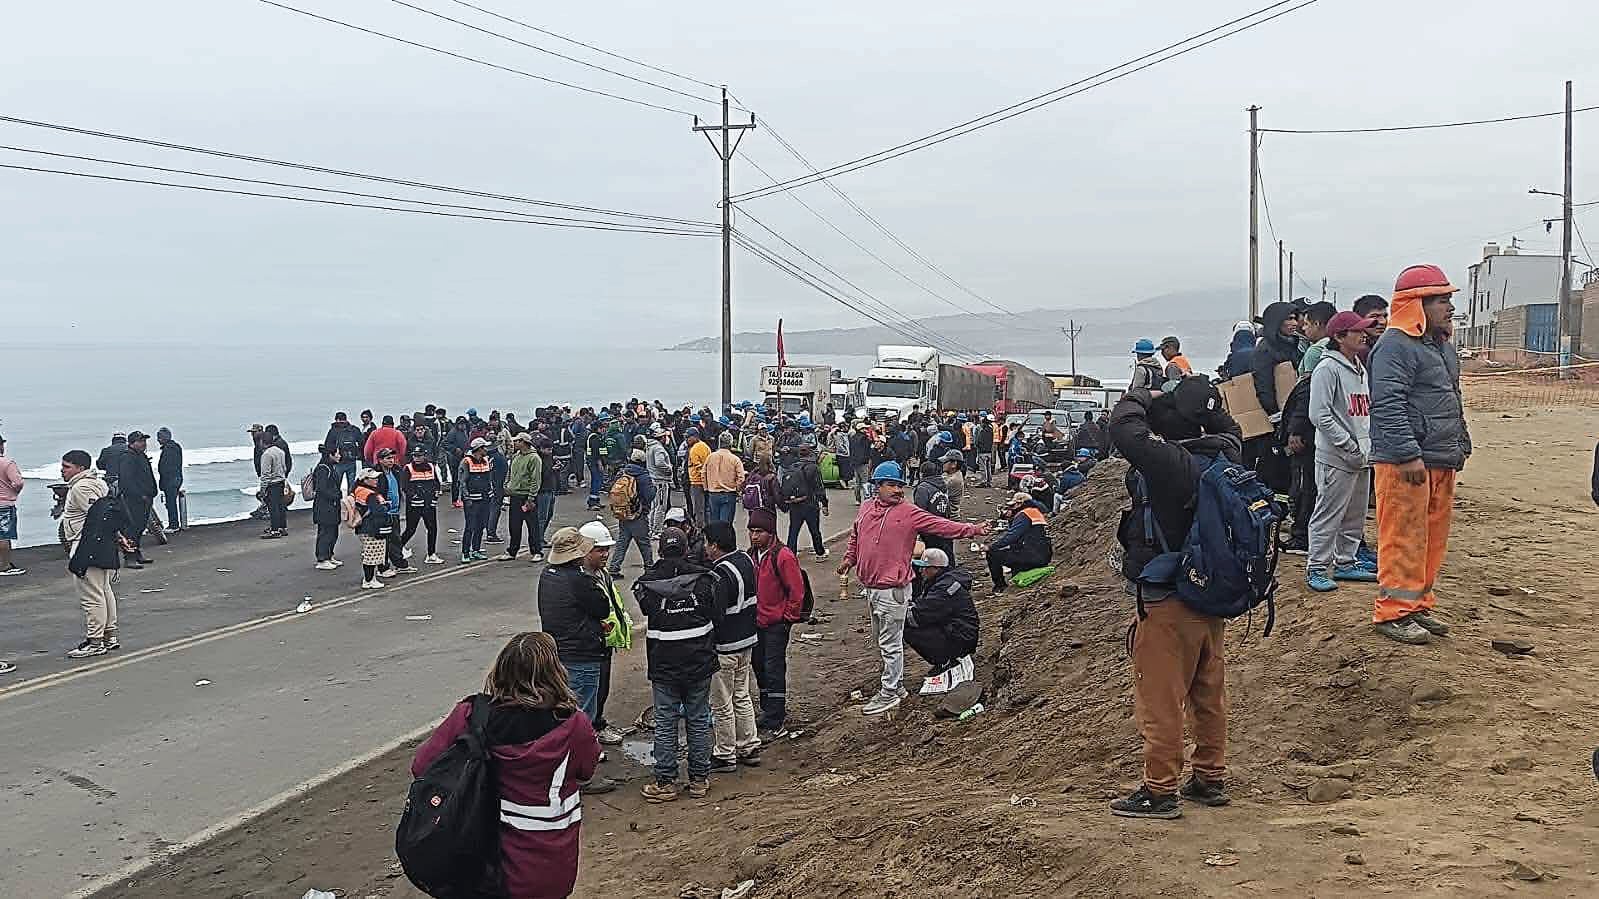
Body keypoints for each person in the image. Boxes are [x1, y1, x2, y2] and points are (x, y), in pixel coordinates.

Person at [1107, 380, 1243, 820]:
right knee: (1208, 693)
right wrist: (1200, 399)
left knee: (1162, 698)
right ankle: (1209, 777)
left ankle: (1160, 790)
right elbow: (1225, 420)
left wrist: (1142, 396)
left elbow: (1125, 429)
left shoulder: (1171, 463)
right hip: (1211, 593)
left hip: (1169, 596)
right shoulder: (1228, 451)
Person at [410, 632, 599, 899]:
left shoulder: (472, 715)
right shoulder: (573, 724)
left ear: (501, 669)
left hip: (482, 859)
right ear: (555, 673)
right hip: (551, 862)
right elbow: (586, 771)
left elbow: (422, 766)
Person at [1368, 264, 1469, 645]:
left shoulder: (1439, 345)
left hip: (1439, 458)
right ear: (1415, 304)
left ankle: (1417, 604)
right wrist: (1407, 455)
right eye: (1441, 300)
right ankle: (1393, 612)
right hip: (1407, 462)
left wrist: (1460, 445)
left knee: (1430, 537)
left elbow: (1450, 401)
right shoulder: (1395, 346)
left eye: (1449, 299)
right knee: (1403, 535)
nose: (1450, 307)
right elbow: (1388, 404)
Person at [839, 462, 987, 716]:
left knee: (891, 642)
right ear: (878, 486)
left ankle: (891, 691)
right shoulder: (865, 508)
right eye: (892, 485)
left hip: (893, 589)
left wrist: (972, 530)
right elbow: (856, 536)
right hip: (871, 588)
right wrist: (848, 560)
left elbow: (942, 525)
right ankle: (893, 687)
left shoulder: (909, 513)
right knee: (882, 640)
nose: (897, 490)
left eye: (900, 485)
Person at [633, 526, 718, 802]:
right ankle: (699, 779)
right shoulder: (703, 579)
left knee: (666, 721)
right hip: (699, 660)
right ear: (685, 548)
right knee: (698, 718)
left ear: (660, 550)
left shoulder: (647, 584)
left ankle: (666, 781)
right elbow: (712, 610)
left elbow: (646, 607)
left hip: (664, 663)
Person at [1305, 311, 1379, 592]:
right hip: (1336, 456)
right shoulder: (1328, 369)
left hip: (1361, 455)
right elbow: (1319, 415)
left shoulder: (1359, 367)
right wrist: (1347, 444)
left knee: (1355, 515)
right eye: (1356, 331)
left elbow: (1363, 412)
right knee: (1328, 513)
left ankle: (1346, 562)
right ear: (1338, 337)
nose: (1363, 335)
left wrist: (1365, 446)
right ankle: (1317, 566)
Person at [701, 520, 762, 772]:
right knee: (742, 694)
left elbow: (716, 611)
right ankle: (748, 745)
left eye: (706, 543)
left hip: (726, 645)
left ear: (715, 545)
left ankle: (725, 753)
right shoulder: (746, 560)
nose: (705, 548)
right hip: (747, 639)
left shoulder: (720, 572)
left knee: (722, 701)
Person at [60, 450, 131, 657]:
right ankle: (109, 636)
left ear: (80, 468)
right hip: (100, 545)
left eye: (66, 467)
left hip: (87, 545)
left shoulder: (82, 487)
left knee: (92, 596)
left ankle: (95, 641)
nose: (62, 471)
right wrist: (118, 538)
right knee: (103, 591)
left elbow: (100, 516)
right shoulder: (98, 483)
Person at [539, 526, 614, 721]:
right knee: (582, 714)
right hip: (582, 655)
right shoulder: (579, 580)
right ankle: (581, 750)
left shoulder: (548, 574)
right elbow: (602, 608)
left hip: (557, 651)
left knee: (563, 709)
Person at [905, 548, 978, 679]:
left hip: (962, 638)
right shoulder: (944, 580)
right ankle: (948, 656)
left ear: (936, 568)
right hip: (960, 631)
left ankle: (946, 659)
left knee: (909, 629)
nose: (921, 571)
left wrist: (898, 613)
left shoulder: (944, 588)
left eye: (925, 567)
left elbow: (919, 615)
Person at [986, 491, 1053, 592]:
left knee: (993, 554)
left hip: (1032, 556)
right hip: (1043, 555)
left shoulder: (1023, 515)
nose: (1011, 508)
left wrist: (991, 546)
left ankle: (999, 586)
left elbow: (1011, 536)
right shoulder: (1035, 512)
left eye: (1013, 505)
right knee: (1014, 552)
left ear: (1020, 504)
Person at [607, 450, 657, 579]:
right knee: (644, 543)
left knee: (622, 541)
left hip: (623, 512)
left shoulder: (622, 472)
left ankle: (613, 568)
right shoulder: (643, 475)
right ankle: (650, 569)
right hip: (638, 514)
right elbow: (649, 495)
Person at [778, 445, 829, 559]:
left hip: (795, 504)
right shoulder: (813, 467)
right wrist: (824, 503)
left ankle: (790, 554)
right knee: (814, 530)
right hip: (810, 503)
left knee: (793, 530)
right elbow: (819, 487)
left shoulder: (792, 466)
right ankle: (820, 552)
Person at [118, 431, 159, 563]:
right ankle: (129, 557)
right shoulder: (128, 457)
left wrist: (152, 491)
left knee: (140, 528)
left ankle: (137, 553)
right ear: (131, 443)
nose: (143, 444)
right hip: (134, 499)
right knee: (132, 528)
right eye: (139, 441)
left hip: (145, 498)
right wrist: (139, 495)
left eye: (144, 441)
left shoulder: (140, 456)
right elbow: (126, 480)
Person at [400, 447, 443, 565]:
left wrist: (435, 497)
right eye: (415, 456)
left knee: (432, 529)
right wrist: (415, 497)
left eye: (419, 456)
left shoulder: (431, 467)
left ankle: (431, 554)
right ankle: (397, 549)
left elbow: (436, 483)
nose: (417, 458)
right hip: (414, 506)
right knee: (410, 529)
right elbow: (405, 487)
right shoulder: (408, 468)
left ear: (425, 455)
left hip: (429, 505)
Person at [352, 468, 393, 588]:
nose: (376, 480)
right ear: (365, 480)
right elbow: (378, 510)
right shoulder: (368, 493)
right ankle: (369, 580)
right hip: (370, 528)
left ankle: (371, 578)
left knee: (373, 554)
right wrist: (387, 505)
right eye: (373, 478)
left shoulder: (361, 490)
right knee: (372, 555)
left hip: (367, 527)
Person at [502, 433, 541, 561]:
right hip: (515, 496)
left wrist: (531, 497)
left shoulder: (534, 458)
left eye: (517, 441)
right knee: (514, 525)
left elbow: (536, 479)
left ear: (523, 442)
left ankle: (537, 551)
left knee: (532, 525)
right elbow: (510, 472)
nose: (514, 443)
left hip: (527, 496)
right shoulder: (516, 457)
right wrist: (507, 485)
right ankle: (512, 551)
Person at [459, 438, 494, 563]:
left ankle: (476, 550)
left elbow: (489, 479)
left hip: (485, 499)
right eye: (484, 447)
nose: (486, 450)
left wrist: (491, 493)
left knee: (481, 526)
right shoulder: (466, 462)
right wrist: (466, 498)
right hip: (472, 501)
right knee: (470, 527)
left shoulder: (485, 460)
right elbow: (462, 482)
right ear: (479, 449)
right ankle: (466, 552)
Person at [310, 445, 344, 570]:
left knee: (333, 531)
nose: (339, 456)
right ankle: (322, 558)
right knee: (325, 532)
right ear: (330, 455)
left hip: (332, 505)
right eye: (337, 453)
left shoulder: (330, 467)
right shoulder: (323, 469)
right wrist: (336, 495)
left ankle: (329, 555)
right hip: (324, 506)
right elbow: (321, 488)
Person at [912, 460, 954, 558]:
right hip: (945, 524)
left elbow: (920, 511)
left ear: (922, 473)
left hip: (931, 528)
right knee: (947, 555)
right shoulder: (941, 484)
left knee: (933, 558)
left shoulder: (923, 488)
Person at [703, 432, 746, 524]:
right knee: (726, 525)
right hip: (729, 494)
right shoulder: (735, 459)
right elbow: (741, 478)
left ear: (719, 443)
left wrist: (707, 488)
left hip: (713, 494)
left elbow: (703, 473)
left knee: (714, 523)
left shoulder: (710, 457)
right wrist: (737, 490)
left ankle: (715, 539)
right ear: (730, 444)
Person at [258, 429, 290, 540]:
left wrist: (262, 489)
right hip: (280, 481)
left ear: (263, 442)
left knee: (273, 508)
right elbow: (284, 468)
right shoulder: (280, 451)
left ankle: (274, 530)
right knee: (281, 506)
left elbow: (265, 474)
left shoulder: (266, 454)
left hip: (272, 484)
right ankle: (282, 527)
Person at [646, 425, 676, 540]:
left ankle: (651, 528)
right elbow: (659, 463)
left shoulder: (650, 447)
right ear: (661, 437)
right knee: (660, 507)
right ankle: (657, 531)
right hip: (660, 481)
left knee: (654, 506)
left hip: (654, 479)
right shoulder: (658, 448)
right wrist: (669, 468)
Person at [0, 434, 23, 576]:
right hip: (4, 504)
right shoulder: (7, 463)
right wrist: (15, 490)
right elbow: (18, 482)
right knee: (3, 535)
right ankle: (4, 566)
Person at [324, 412, 365, 493]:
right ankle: (351, 502)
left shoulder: (333, 430)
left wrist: (331, 457)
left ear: (337, 420)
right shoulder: (354, 429)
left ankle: (337, 503)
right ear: (346, 419)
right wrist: (358, 455)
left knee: (336, 485)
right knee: (351, 486)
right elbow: (362, 443)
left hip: (338, 462)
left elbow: (327, 446)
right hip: (352, 460)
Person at [155, 427, 183, 533]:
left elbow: (166, 468)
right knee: (171, 502)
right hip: (176, 478)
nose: (158, 440)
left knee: (171, 503)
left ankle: (174, 525)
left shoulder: (169, 449)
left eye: (159, 438)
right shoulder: (175, 447)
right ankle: (174, 523)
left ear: (163, 438)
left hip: (171, 480)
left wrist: (163, 482)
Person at [484, 440, 509, 545]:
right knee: (495, 510)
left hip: (486, 487)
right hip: (497, 487)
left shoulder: (485, 458)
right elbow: (504, 474)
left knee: (488, 511)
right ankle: (491, 533)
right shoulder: (500, 458)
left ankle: (488, 531)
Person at [1352, 294, 1389, 363]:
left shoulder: (1388, 344)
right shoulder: (1353, 349)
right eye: (1374, 316)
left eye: (1385, 316)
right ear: (1359, 319)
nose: (1383, 322)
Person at [685, 428, 710, 526]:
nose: (687, 439)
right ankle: (708, 525)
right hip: (705, 481)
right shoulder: (706, 446)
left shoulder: (694, 449)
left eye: (688, 437)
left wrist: (702, 479)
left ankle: (700, 527)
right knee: (707, 507)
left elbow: (698, 467)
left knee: (699, 508)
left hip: (697, 482)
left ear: (694, 437)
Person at [942, 450, 966, 518]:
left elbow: (936, 493)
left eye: (945, 462)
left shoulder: (954, 480)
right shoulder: (953, 473)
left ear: (954, 464)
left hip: (950, 516)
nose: (943, 464)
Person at [973, 414, 996, 487]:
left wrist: (977, 446)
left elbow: (978, 441)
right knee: (988, 468)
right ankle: (989, 481)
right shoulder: (991, 429)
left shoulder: (981, 430)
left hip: (982, 452)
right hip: (989, 451)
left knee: (983, 468)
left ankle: (984, 481)